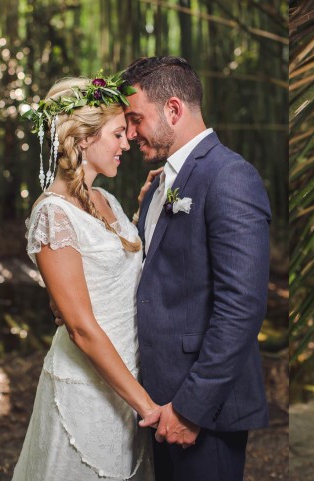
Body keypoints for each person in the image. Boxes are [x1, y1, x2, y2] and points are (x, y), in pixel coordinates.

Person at [121, 56, 271, 481]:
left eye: (135, 119)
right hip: (155, 399)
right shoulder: (156, 187)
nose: (130, 135)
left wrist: (190, 409)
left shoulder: (230, 176)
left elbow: (241, 306)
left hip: (203, 407)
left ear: (173, 109)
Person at [15, 75, 158, 480]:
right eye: (117, 134)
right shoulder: (52, 214)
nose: (127, 144)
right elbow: (79, 326)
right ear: (82, 140)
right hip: (89, 387)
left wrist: (143, 212)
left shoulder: (104, 199)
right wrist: (146, 406)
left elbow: (108, 267)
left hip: (125, 379)